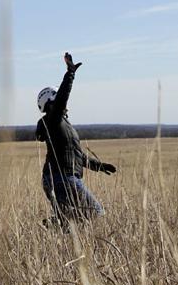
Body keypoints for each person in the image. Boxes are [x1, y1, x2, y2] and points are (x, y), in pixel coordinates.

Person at [35, 52, 117, 225]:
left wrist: (98, 166)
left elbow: (76, 156)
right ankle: (57, 221)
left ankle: (57, 223)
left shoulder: (60, 125)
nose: (65, 105)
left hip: (58, 178)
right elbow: (62, 98)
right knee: (97, 212)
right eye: (58, 100)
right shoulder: (53, 119)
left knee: (68, 226)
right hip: (63, 178)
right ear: (52, 102)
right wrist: (70, 74)